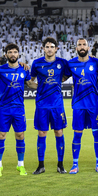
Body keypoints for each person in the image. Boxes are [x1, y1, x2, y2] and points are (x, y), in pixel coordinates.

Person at [0, 43, 37, 177]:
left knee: (20, 136)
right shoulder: (0, 70)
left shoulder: (24, 69)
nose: (13, 54)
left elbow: (29, 83)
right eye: (10, 52)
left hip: (19, 109)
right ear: (6, 55)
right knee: (1, 136)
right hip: (4, 108)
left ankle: (20, 165)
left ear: (18, 54)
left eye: (15, 52)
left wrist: (45, 87)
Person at [31, 37, 71, 175]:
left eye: (52, 46)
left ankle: (60, 165)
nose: (49, 49)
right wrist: (41, 87)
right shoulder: (36, 64)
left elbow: (66, 76)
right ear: (43, 48)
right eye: (47, 46)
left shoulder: (62, 63)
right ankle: (40, 165)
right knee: (42, 133)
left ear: (56, 49)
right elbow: (30, 81)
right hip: (42, 105)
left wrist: (57, 83)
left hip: (57, 105)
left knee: (59, 132)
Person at [66, 38, 98, 174]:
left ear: (88, 48)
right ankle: (75, 164)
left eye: (84, 45)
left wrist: (96, 83)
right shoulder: (70, 64)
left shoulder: (96, 62)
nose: (82, 47)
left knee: (97, 134)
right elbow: (62, 77)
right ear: (76, 48)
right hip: (78, 104)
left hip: (94, 104)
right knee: (77, 135)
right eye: (79, 45)